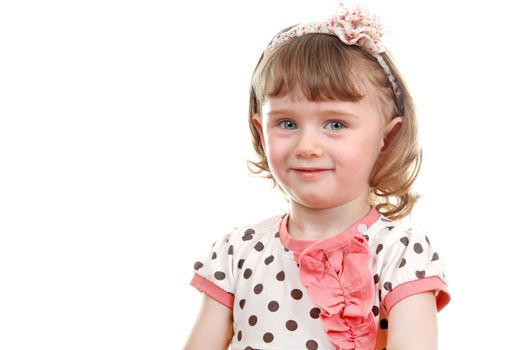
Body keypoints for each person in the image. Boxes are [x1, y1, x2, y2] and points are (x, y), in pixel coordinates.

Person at [184, 4, 451, 350]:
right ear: (261, 133)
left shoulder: (400, 254)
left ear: (388, 138)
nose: (307, 146)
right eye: (287, 124)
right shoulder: (237, 251)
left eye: (335, 124)